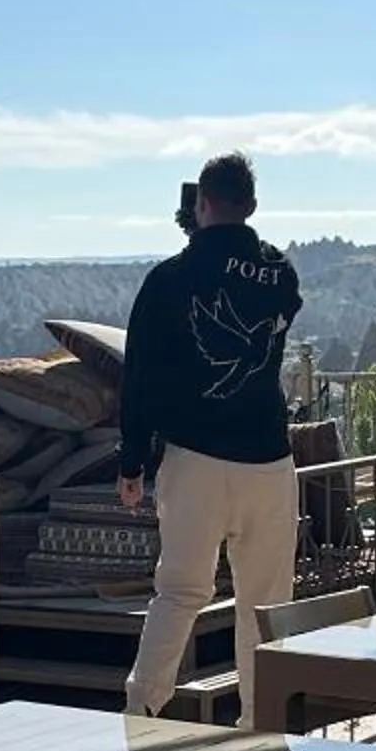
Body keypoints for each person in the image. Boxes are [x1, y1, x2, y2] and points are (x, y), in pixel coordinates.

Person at [118, 152, 303, 720]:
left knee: (178, 592)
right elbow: (265, 282)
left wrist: (133, 461)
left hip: (194, 458)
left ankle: (141, 715)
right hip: (269, 461)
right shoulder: (282, 275)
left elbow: (140, 376)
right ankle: (262, 722)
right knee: (267, 604)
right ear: (252, 206)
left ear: (200, 204)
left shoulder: (170, 278)